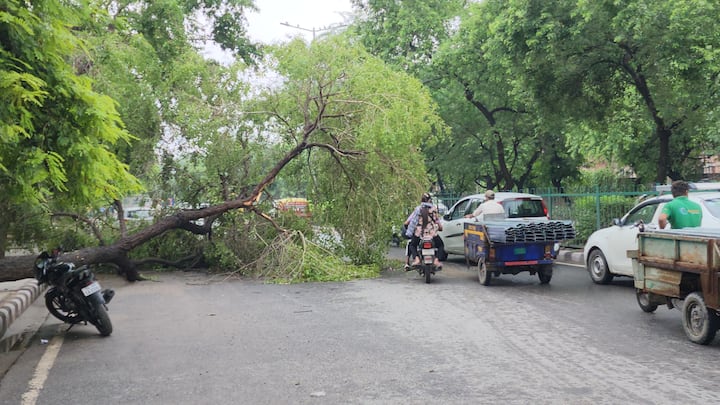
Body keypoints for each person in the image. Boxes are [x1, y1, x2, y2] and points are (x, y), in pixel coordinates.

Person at [404, 193, 443, 268]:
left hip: (419, 234)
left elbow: (413, 223)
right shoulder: (433, 209)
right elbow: (437, 221)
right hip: (431, 233)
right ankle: (436, 260)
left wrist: (409, 233)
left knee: (412, 245)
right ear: (429, 200)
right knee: (441, 245)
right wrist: (440, 228)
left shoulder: (418, 209)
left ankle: (417, 259)